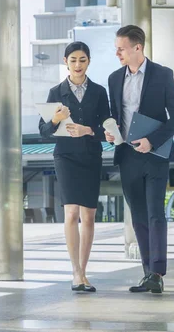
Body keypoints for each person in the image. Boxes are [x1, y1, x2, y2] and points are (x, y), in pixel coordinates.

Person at [105, 25, 174, 294]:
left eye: (121, 48)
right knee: (138, 216)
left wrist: (152, 140)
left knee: (155, 214)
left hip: (154, 155)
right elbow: (116, 116)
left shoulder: (162, 75)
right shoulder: (114, 78)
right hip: (127, 155)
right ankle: (147, 272)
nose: (117, 53)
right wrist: (111, 132)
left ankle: (157, 272)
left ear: (137, 48)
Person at [39, 41, 110, 292]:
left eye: (82, 60)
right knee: (71, 213)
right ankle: (76, 273)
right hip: (66, 157)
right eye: (73, 60)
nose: (77, 65)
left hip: (91, 156)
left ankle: (84, 270)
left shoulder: (100, 92)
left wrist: (89, 130)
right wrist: (56, 119)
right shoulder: (56, 92)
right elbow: (43, 132)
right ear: (65, 62)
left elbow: (107, 129)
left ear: (89, 61)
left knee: (89, 214)